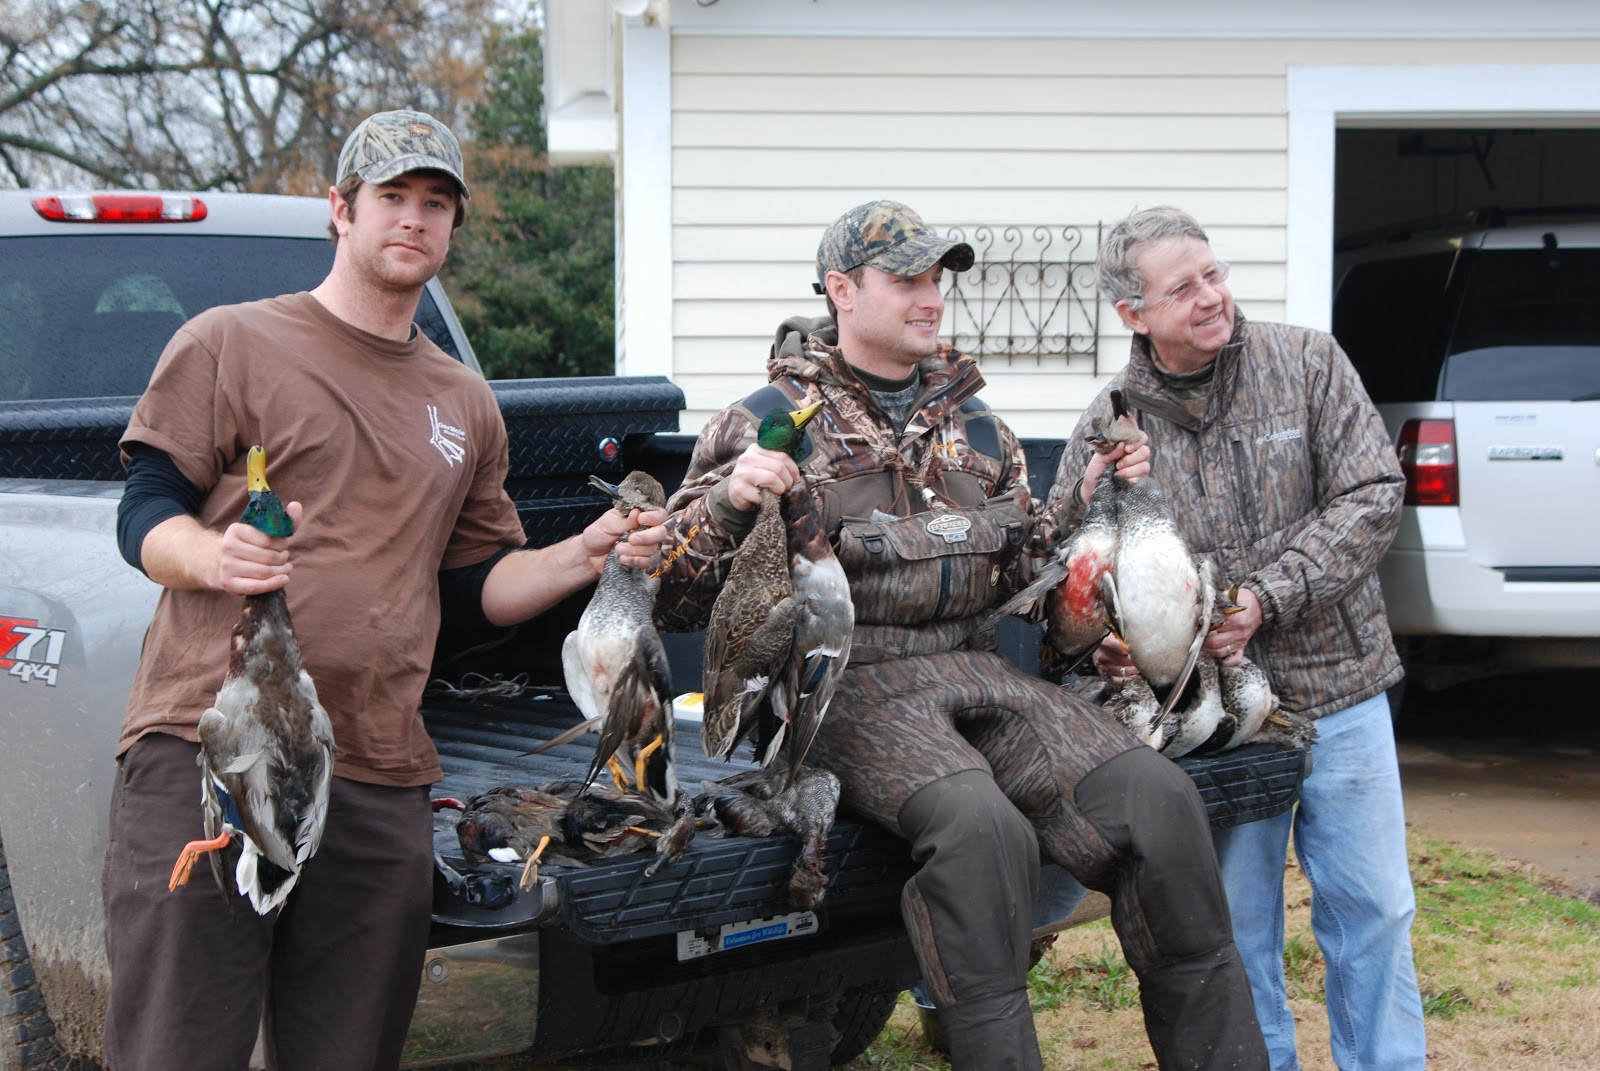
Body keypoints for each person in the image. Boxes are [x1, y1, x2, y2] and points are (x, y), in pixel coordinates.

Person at [101, 108, 667, 1070]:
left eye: (436, 204)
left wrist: (587, 553)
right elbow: (144, 511)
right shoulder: (230, 343)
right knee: (180, 1043)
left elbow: (477, 585)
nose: (413, 219)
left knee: (350, 1048)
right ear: (341, 210)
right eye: (392, 198)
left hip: (377, 764)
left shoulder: (462, 400)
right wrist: (213, 557)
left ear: (452, 229)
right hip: (215, 741)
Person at [652, 199, 1267, 1070]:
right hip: (846, 685)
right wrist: (726, 500)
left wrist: (1091, 523)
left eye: (936, 277)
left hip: (975, 672)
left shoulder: (980, 427)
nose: (931, 295)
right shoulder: (762, 422)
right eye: (906, 277)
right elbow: (674, 598)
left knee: (1159, 804)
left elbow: (1029, 590)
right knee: (983, 832)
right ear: (842, 289)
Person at [1056, 204, 1426, 1071]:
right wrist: (1107, 640)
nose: (1211, 297)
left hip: (1342, 686)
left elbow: (1373, 491)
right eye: (1181, 287)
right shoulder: (1110, 421)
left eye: (1213, 274)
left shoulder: (1306, 362)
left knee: (1372, 909)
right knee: (1236, 924)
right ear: (1133, 313)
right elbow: (1073, 562)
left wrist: (1269, 594)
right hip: (1214, 719)